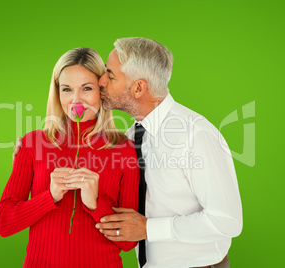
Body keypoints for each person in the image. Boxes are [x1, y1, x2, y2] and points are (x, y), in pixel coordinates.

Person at [14, 37, 243, 268]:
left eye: (110, 75)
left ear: (138, 88)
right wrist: (32, 151)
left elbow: (227, 221)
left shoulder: (195, 135)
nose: (101, 80)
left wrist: (147, 228)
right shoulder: (133, 136)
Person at [0, 47, 140, 268]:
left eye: (87, 88)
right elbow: (3, 223)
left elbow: (129, 242)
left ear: (102, 91)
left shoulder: (124, 149)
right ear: (57, 92)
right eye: (67, 89)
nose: (76, 100)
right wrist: (49, 197)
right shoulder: (32, 144)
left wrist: (95, 205)